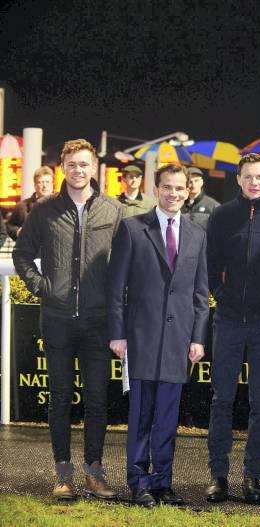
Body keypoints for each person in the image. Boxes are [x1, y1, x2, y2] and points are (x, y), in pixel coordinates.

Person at [13, 139, 123, 500]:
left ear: (95, 168)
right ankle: (63, 474)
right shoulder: (44, 210)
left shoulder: (114, 210)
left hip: (98, 323)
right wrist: (42, 287)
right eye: (72, 164)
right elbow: (22, 255)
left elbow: (125, 266)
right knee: (59, 397)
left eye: (84, 164)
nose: (78, 170)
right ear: (63, 167)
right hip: (58, 321)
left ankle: (94, 471)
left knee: (96, 398)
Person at [107, 163, 209, 507]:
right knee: (141, 415)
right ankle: (138, 482)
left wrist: (197, 338)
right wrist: (118, 334)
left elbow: (200, 293)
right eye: (168, 187)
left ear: (187, 190)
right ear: (156, 188)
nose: (174, 194)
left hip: (179, 342)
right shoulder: (132, 229)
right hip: (139, 338)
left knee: (167, 416)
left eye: (180, 188)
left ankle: (163, 482)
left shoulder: (197, 234)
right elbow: (115, 287)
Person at [204, 153, 260, 503]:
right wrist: (223, 297)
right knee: (222, 398)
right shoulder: (221, 216)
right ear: (238, 179)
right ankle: (218, 475)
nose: (254, 182)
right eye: (248, 176)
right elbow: (210, 267)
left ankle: (253, 476)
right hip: (227, 319)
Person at [7, 165, 53, 241]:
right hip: (30, 250)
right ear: (35, 185)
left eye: (47, 182)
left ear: (52, 184)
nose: (45, 186)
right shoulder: (22, 206)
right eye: (40, 182)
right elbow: (10, 226)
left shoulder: (61, 205)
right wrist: (18, 232)